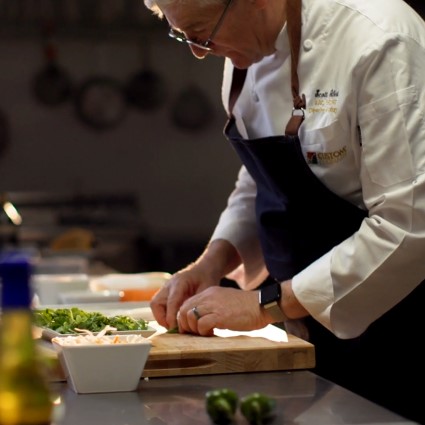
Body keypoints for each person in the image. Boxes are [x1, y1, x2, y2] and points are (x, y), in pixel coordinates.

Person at [143, 0, 425, 423]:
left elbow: (410, 225)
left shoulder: (381, 39)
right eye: (183, 35)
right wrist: (211, 263)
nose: (198, 51)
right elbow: (263, 182)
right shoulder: (243, 53)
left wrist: (266, 305)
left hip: (401, 331)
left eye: (202, 33)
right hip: (310, 331)